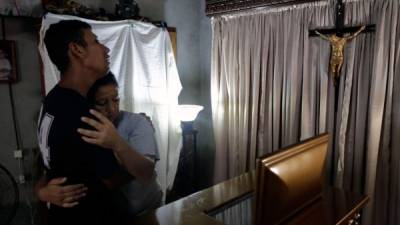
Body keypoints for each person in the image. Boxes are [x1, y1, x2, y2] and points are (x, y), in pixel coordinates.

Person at [37, 20, 125, 225]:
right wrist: (143, 162)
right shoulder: (82, 113)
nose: (105, 48)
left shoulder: (52, 100)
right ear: (76, 49)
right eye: (95, 41)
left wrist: (40, 192)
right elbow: (110, 179)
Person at [37, 72, 163, 216]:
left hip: (146, 210)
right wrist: (42, 192)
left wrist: (117, 143)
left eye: (116, 100)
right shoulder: (82, 127)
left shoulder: (137, 123)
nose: (112, 109)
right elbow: (52, 172)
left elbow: (145, 172)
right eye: (102, 103)